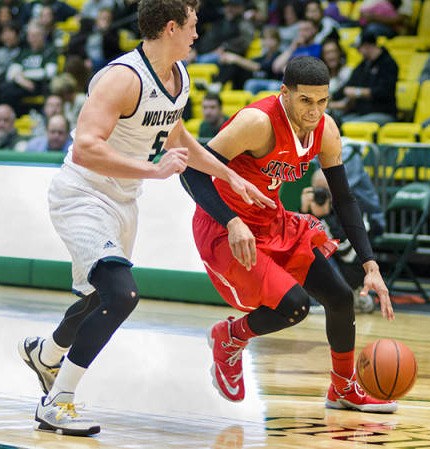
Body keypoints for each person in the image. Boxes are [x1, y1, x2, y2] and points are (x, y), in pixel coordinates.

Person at [17, 0, 275, 437]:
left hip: (123, 200)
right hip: (83, 194)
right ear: (171, 26)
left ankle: (46, 353)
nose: (198, 34)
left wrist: (230, 175)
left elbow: (175, 135)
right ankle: (57, 401)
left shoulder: (180, 77)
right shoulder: (122, 78)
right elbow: (86, 148)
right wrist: (153, 170)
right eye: (192, 26)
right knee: (121, 295)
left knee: (96, 298)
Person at [180, 56, 397, 412]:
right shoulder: (258, 122)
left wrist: (370, 263)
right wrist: (232, 221)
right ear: (285, 93)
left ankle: (342, 389)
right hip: (223, 224)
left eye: (322, 101)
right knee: (294, 307)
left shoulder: (325, 130)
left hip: (272, 222)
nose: (315, 111)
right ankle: (228, 338)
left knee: (341, 297)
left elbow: (344, 198)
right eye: (306, 101)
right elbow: (192, 171)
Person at [300, 168, 376, 314]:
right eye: (318, 190)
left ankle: (336, 300)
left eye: (327, 190)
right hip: (334, 270)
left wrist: (325, 218)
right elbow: (301, 243)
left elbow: (346, 251)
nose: (322, 195)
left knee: (320, 251)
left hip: (350, 270)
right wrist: (305, 212)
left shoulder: (352, 207)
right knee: (303, 248)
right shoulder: (313, 208)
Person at [328, 29, 398, 126]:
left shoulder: (388, 63)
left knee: (347, 125)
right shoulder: (364, 65)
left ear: (367, 46)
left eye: (359, 48)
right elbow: (348, 85)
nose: (358, 52)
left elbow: (384, 92)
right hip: (361, 113)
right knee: (335, 121)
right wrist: (329, 98)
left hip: (383, 113)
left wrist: (358, 92)